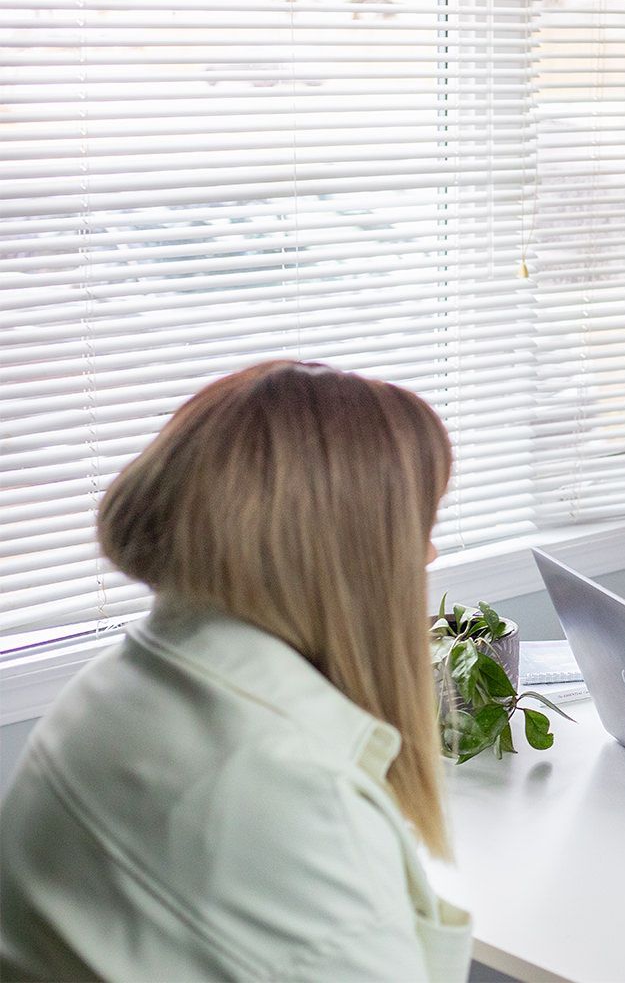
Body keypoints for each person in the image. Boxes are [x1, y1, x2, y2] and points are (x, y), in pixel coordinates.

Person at [0, 362, 472, 979]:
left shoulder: (114, 686)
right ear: (354, 559)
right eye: (421, 529)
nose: (429, 553)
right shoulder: (298, 804)